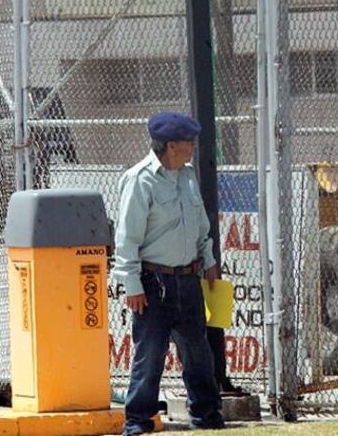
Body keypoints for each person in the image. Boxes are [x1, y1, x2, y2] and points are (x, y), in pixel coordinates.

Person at [113, 112, 224, 435]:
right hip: (153, 282)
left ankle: (207, 415)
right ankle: (138, 421)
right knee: (150, 356)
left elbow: (201, 226)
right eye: (189, 143)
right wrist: (132, 284)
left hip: (188, 279)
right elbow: (127, 238)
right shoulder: (140, 179)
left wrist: (208, 259)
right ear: (171, 146)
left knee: (198, 353)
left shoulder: (187, 176)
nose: (193, 149)